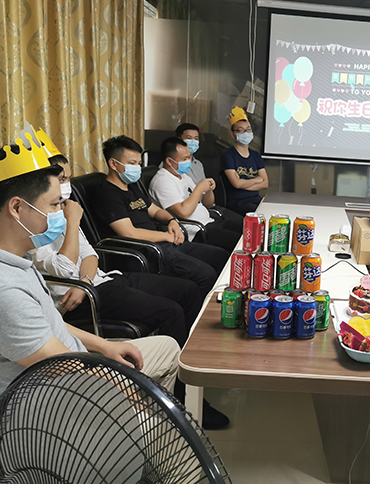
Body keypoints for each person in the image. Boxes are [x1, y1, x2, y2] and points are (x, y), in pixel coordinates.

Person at [0, 140, 179, 405]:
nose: (61, 213)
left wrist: (105, 346)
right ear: (17, 208)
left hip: (74, 365)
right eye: (55, 205)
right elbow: (66, 369)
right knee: (158, 419)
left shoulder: (12, 256)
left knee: (168, 348)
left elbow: (49, 324)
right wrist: (132, 397)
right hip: (54, 405)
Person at [32, 153, 203, 352]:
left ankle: (193, 354)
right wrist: (72, 221)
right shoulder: (33, 223)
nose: (66, 185)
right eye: (61, 179)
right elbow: (63, 268)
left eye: (68, 179)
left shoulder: (64, 210)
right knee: (171, 312)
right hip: (78, 299)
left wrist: (86, 280)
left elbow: (90, 254)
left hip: (100, 280)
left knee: (188, 290)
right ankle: (175, 368)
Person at [93, 136, 229, 300]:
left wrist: (171, 221)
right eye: (132, 163)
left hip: (163, 243)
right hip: (145, 252)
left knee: (220, 256)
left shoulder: (132, 186)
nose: (137, 168)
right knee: (204, 275)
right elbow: (129, 233)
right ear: (113, 164)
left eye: (139, 163)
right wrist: (165, 236)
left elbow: (155, 211)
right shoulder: (107, 194)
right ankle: (199, 313)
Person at [150, 138, 242, 252]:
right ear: (169, 161)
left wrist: (208, 190)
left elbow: (208, 204)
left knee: (247, 230)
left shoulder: (183, 176)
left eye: (189, 157)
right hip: (195, 230)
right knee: (239, 242)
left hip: (210, 221)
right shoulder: (162, 181)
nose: (189, 161)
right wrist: (199, 189)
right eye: (185, 159)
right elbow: (183, 213)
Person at [175, 123, 244, 225]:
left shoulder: (198, 164)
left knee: (243, 222)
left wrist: (209, 188)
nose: (193, 142)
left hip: (208, 206)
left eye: (196, 139)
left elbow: (208, 199)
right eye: (189, 138)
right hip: (194, 211)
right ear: (179, 140)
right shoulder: (174, 166)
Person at [221, 107, 269, 215]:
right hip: (238, 203)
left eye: (248, 129)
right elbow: (237, 184)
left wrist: (244, 183)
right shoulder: (228, 155)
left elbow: (265, 183)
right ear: (233, 134)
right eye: (240, 130)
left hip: (256, 199)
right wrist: (256, 180)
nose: (246, 133)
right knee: (259, 216)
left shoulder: (256, 155)